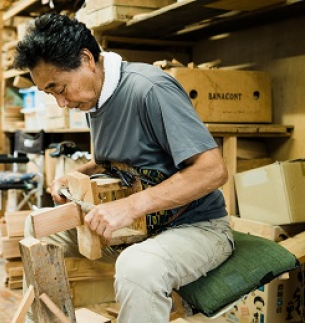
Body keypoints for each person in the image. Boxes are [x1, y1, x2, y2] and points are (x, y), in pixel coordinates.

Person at [14, 13, 234, 322]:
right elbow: (118, 160)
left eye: (60, 88)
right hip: (137, 230)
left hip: (198, 229)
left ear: (87, 59)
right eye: (51, 94)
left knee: (137, 268)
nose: (61, 103)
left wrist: (131, 206)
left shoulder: (150, 89)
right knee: (38, 228)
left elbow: (212, 170)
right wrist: (76, 176)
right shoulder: (94, 97)